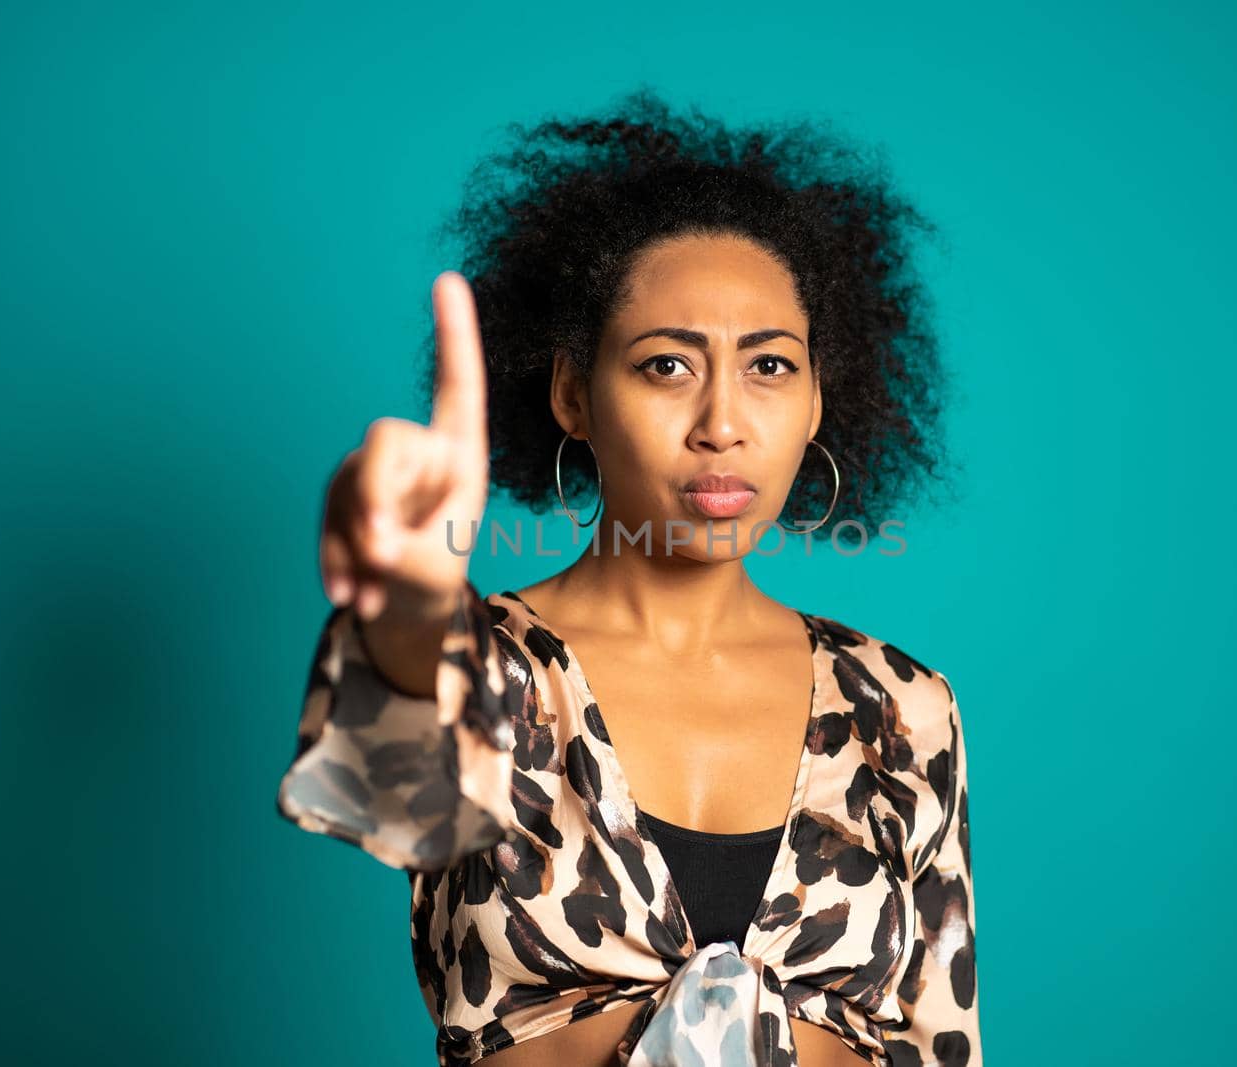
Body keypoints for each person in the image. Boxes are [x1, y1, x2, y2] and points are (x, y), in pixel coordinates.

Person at [275, 90, 982, 1067]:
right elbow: (395, 789)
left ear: (820, 396)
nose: (722, 423)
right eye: (665, 366)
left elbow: (942, 1042)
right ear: (573, 391)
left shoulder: (903, 711)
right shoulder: (492, 676)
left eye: (770, 366)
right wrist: (410, 609)